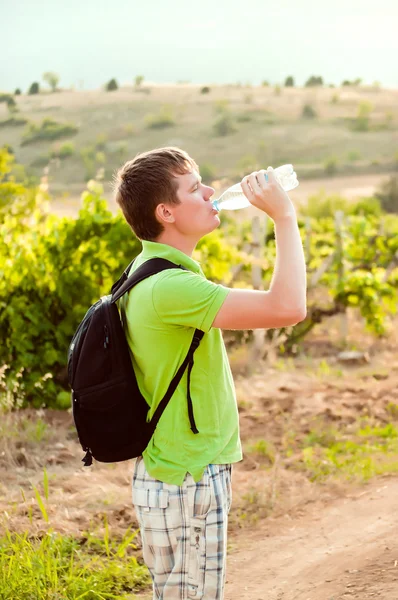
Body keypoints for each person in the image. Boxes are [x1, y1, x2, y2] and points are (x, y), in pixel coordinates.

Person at [114, 147, 306, 599]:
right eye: (194, 186)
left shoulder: (151, 271)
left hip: (181, 471)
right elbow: (289, 307)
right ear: (166, 212)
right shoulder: (171, 287)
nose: (211, 191)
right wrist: (284, 217)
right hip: (189, 476)